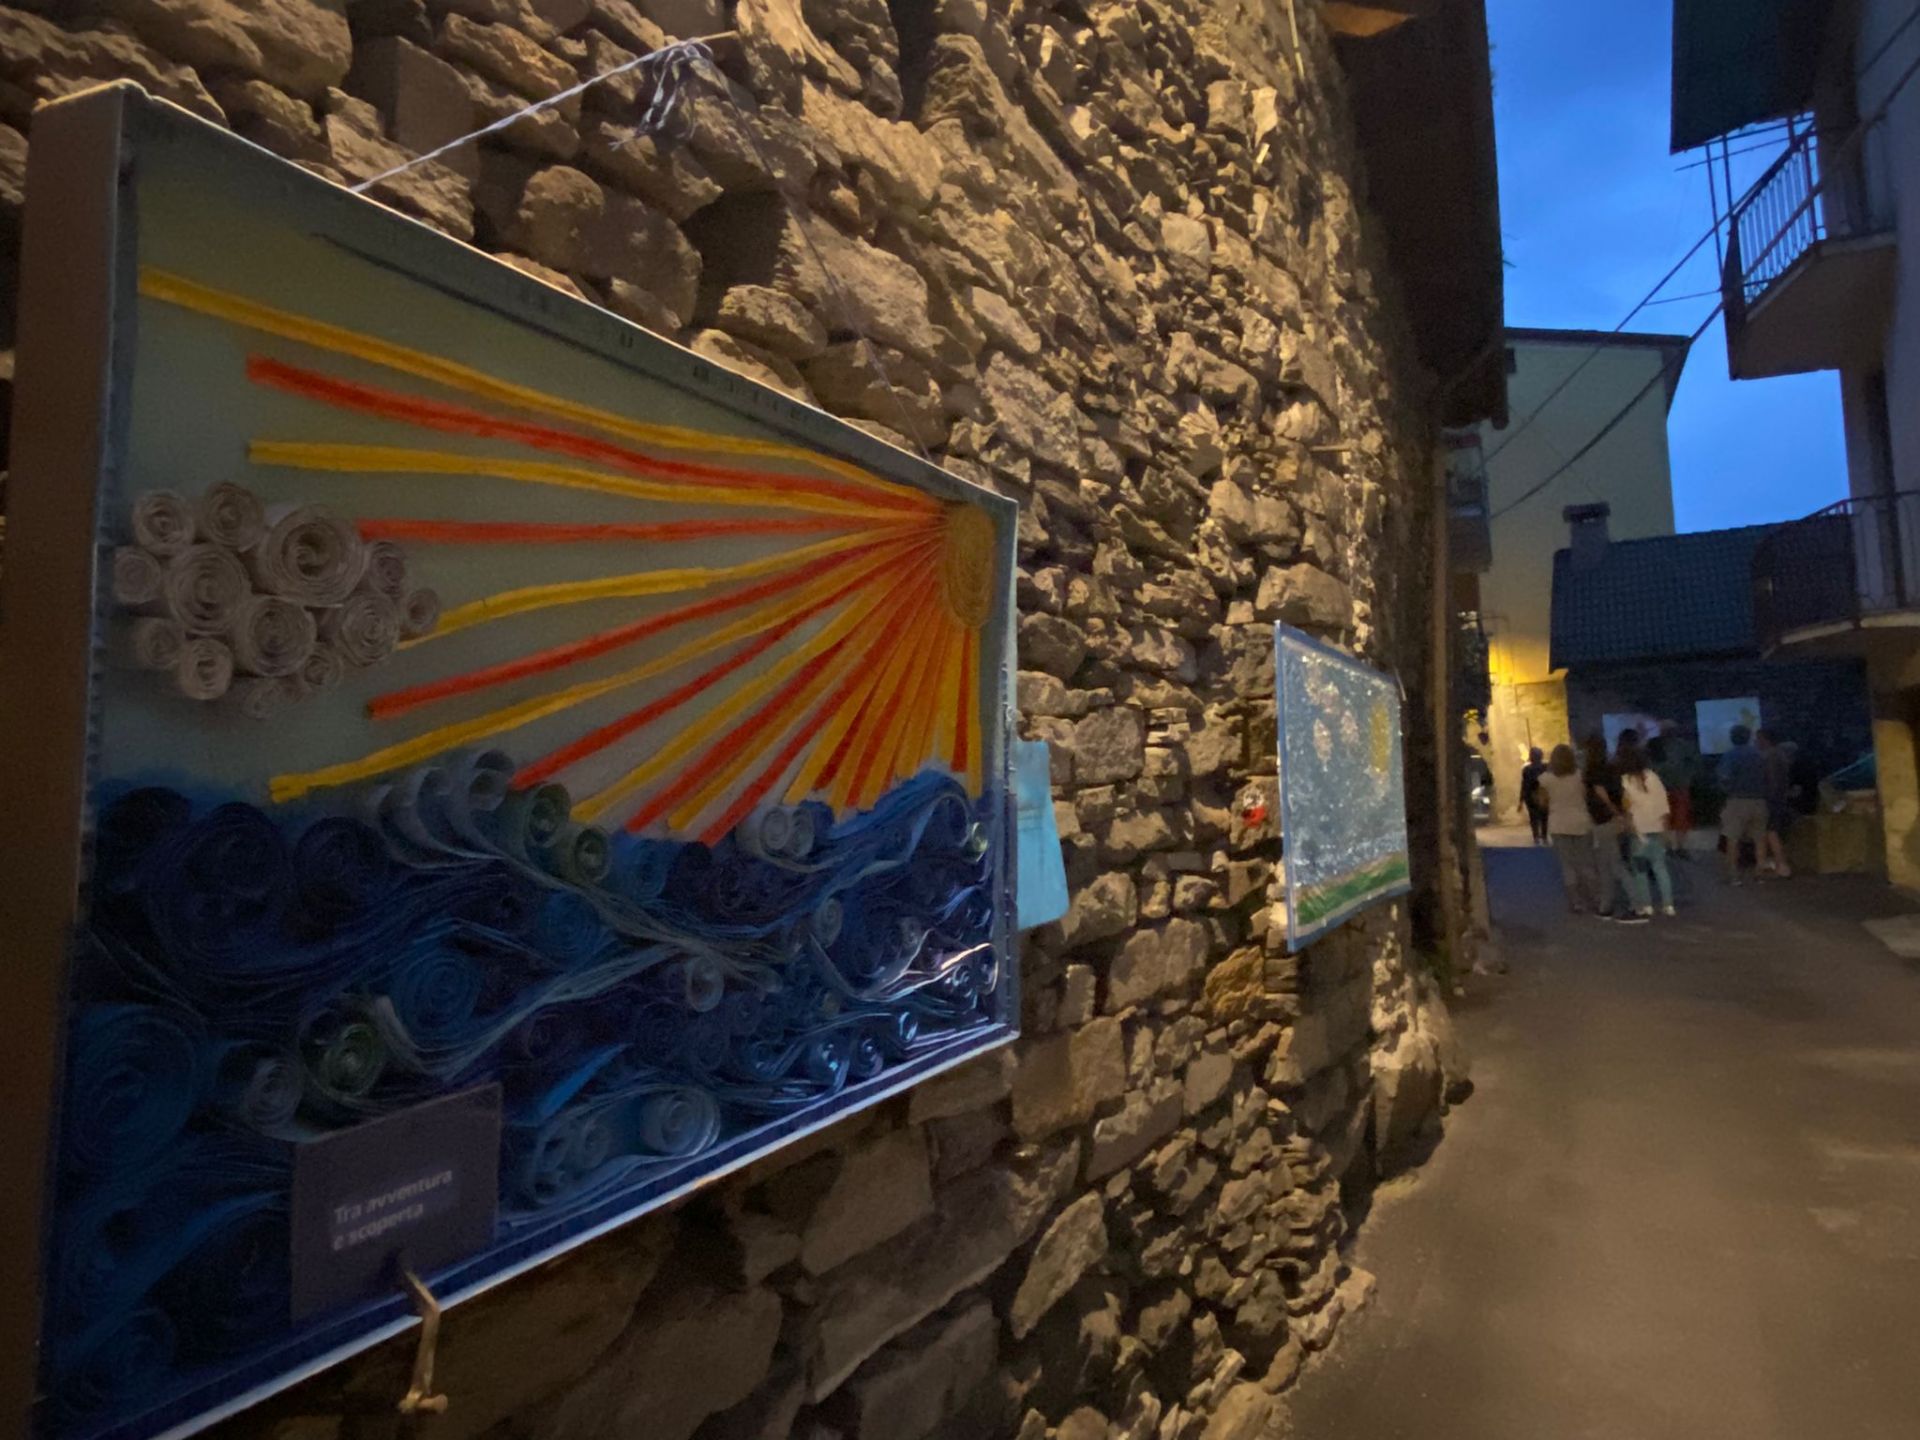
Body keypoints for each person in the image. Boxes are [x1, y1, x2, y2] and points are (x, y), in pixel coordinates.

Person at [1585, 733, 1644, 923]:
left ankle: (1637, 905)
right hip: (1612, 819)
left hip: (1604, 819)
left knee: (1614, 865)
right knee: (1606, 865)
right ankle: (1606, 905)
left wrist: (1614, 812)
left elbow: (1600, 793)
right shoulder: (1612, 768)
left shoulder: (1593, 770)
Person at [1540, 743, 1602, 913]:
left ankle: (1576, 902)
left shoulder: (1545, 779)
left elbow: (1543, 803)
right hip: (1581, 821)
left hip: (1558, 823)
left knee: (1567, 865)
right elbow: (1586, 796)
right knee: (1586, 862)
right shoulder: (1579, 776)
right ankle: (1597, 898)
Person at [1619, 743, 1676, 917]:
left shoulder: (1625, 781)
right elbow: (1663, 804)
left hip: (1638, 830)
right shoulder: (1653, 777)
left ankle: (1646, 904)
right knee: (1660, 867)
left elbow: (1626, 807)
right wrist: (1666, 828)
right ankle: (1668, 904)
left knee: (1640, 870)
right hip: (1657, 826)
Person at [1718, 724, 1769, 885]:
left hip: (1737, 801)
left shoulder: (1730, 755)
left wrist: (1727, 790)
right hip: (1759, 800)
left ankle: (1734, 875)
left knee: (1733, 839)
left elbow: (1724, 777)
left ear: (1732, 738)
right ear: (1748, 737)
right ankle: (1760, 874)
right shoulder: (1760, 755)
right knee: (1759, 839)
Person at [1756, 729, 1794, 878]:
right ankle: (1769, 866)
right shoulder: (1780, 754)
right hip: (1778, 799)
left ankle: (1782, 866)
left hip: (1771, 800)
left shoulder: (1770, 756)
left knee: (1771, 832)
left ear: (1765, 740)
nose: (1756, 742)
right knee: (1769, 833)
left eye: (1758, 738)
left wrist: (1766, 797)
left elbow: (1772, 781)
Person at [1649, 734, 1694, 857]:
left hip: (1667, 788)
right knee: (1678, 818)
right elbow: (1692, 763)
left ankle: (1670, 847)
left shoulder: (1655, 743)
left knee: (1669, 819)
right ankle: (1677, 847)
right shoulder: (1682, 744)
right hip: (1676, 787)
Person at [1518, 747, 1549, 844]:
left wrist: (1521, 800)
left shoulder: (1527, 769)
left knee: (1533, 817)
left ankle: (1536, 836)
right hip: (1543, 794)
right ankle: (1544, 836)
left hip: (1530, 795)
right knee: (1544, 817)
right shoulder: (1546, 767)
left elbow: (1524, 785)